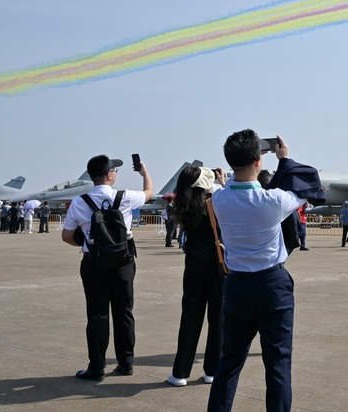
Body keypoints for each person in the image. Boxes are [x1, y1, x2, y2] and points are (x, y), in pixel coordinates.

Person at [207, 130, 311, 412]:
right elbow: (301, 189)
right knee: (277, 364)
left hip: (237, 285)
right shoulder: (273, 201)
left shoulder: (219, 200)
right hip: (272, 285)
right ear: (258, 160)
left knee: (228, 363)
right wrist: (284, 159)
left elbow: (227, 185)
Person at [61, 155, 152, 382]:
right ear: (110, 175)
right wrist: (144, 173)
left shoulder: (80, 201)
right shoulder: (126, 197)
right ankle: (126, 362)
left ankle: (97, 367)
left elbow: (67, 236)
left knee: (97, 314)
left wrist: (87, 244)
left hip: (94, 263)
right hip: (123, 263)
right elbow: (149, 193)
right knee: (124, 312)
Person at [166, 165, 225, 387]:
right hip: (216, 264)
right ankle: (212, 369)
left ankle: (180, 372)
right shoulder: (216, 200)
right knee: (217, 318)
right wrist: (221, 181)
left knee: (190, 317)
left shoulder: (182, 203)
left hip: (192, 263)